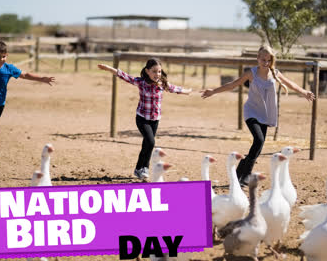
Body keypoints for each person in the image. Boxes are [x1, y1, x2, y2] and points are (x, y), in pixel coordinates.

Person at [201, 45, 315, 186]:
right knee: (259, 140)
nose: (266, 63)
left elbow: (290, 84)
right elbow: (233, 84)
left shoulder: (275, 73)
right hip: (251, 112)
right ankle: (245, 176)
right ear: (257, 59)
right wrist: (213, 91)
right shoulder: (251, 73)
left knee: (258, 147)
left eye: (268, 60)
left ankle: (239, 172)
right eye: (263, 59)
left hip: (265, 114)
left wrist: (304, 92)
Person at [98, 58, 192, 179]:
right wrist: (109, 68)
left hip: (155, 119)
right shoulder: (141, 82)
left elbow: (175, 89)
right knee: (151, 142)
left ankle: (139, 169)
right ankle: (145, 168)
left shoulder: (162, 83)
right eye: (154, 71)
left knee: (147, 144)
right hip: (142, 118)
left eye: (159, 72)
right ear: (147, 71)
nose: (157, 74)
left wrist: (187, 91)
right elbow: (125, 76)